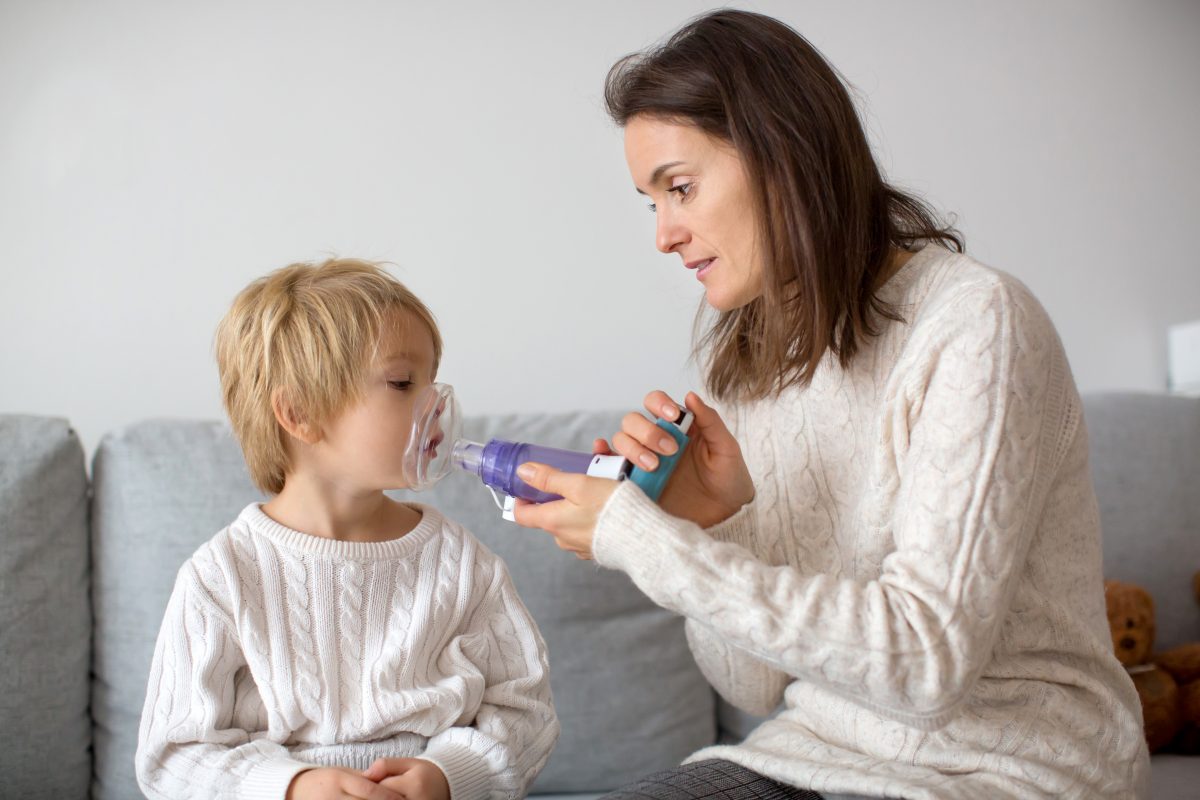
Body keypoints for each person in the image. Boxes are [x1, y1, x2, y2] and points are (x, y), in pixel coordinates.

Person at [512, 10, 1148, 800]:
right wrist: (704, 522)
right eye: (653, 203)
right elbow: (749, 685)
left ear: (783, 154)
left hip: (1010, 769)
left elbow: (925, 664)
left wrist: (641, 541)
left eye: (679, 188)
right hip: (809, 757)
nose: (664, 236)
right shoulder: (743, 367)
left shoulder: (978, 324)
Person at [135, 258, 558, 800]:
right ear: (300, 412)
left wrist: (449, 775)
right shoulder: (222, 577)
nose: (433, 406)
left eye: (432, 380)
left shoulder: (462, 565)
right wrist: (290, 787)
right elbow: (173, 756)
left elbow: (524, 711)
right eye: (403, 383)